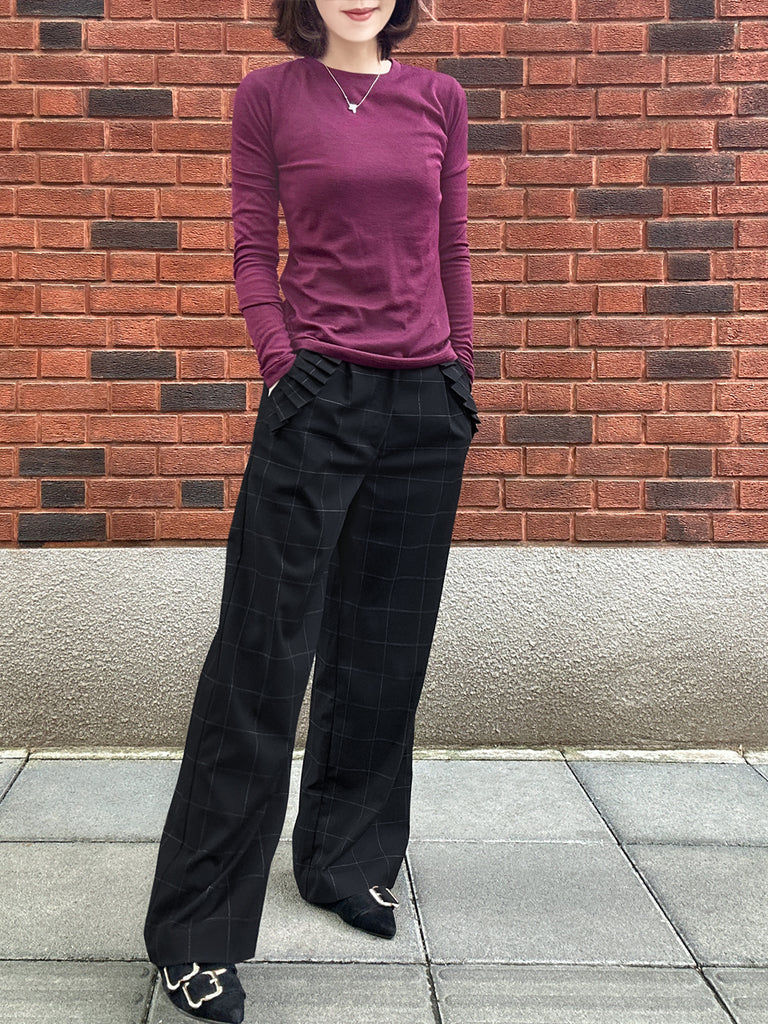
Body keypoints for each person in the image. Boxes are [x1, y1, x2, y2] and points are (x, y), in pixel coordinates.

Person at [142, 1, 480, 1020]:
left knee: (383, 653)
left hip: (424, 404)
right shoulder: (269, 96)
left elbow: (453, 247)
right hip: (318, 395)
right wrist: (281, 364)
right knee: (261, 658)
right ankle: (195, 934)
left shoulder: (439, 98)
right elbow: (253, 249)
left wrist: (460, 371)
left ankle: (346, 860)